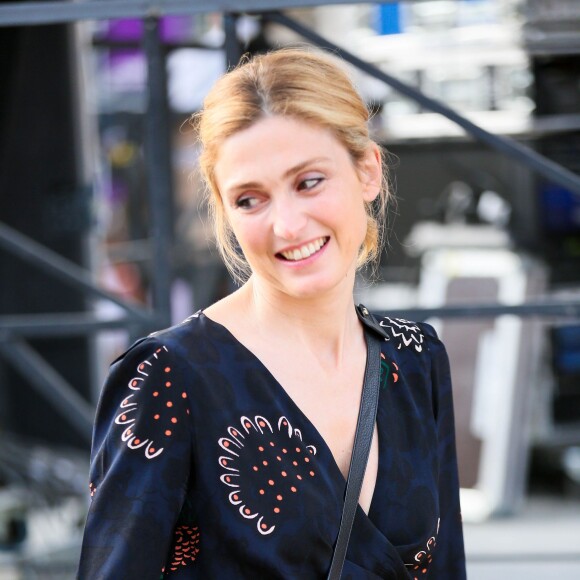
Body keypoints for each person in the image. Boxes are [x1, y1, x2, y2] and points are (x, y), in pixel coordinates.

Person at [78, 47, 466, 579]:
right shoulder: (170, 377)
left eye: (309, 182)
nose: (287, 224)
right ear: (225, 212)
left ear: (368, 171)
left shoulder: (416, 358)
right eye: (250, 199)